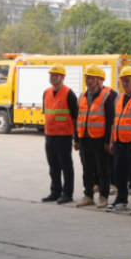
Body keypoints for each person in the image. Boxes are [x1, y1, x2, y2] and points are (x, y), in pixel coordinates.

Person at [107, 66, 131, 214]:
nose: (124, 84)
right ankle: (121, 200)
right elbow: (114, 121)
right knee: (119, 173)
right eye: (123, 81)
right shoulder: (118, 98)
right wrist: (112, 141)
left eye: (127, 81)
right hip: (118, 142)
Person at [74, 64, 116, 209]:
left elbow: (111, 120)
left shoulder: (106, 96)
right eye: (87, 77)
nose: (89, 80)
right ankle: (88, 196)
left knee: (102, 169)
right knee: (87, 170)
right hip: (85, 139)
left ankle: (103, 197)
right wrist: (76, 139)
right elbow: (78, 118)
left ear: (99, 80)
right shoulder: (82, 97)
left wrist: (107, 141)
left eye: (92, 78)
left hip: (99, 140)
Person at [42, 64, 78, 205]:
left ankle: (67, 193)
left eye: (56, 75)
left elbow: (75, 117)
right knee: (53, 166)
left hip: (64, 136)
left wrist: (76, 137)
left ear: (62, 77)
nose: (53, 77)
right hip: (49, 135)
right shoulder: (46, 92)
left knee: (66, 165)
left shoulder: (69, 93)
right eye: (51, 75)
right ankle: (55, 192)